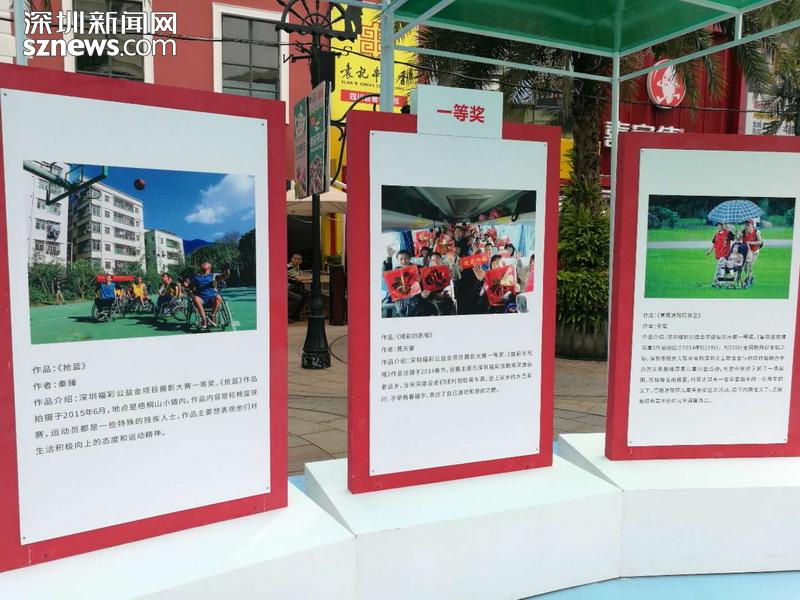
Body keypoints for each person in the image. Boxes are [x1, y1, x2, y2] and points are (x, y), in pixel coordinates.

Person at [383, 247, 433, 317]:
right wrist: (389, 257)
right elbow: (387, 275)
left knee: (418, 310)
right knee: (402, 311)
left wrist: (421, 281)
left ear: (410, 258)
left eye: (406, 258)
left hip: (417, 297)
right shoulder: (396, 270)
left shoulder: (418, 268)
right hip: (402, 299)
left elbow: (427, 281)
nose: (404, 261)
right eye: (401, 259)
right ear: (397, 260)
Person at [190, 261, 230, 330]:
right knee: (195, 298)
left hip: (212, 299)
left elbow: (225, 275)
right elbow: (190, 287)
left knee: (218, 297)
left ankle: (212, 315)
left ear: (209, 267)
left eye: (205, 263)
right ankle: (204, 319)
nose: (203, 263)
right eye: (203, 263)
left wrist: (226, 269)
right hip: (201, 299)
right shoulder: (196, 277)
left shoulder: (214, 276)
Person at [287, 252, 309, 322]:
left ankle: (296, 315)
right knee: (297, 297)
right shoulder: (289, 267)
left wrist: (306, 276)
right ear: (291, 259)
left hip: (292, 289)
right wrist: (312, 277)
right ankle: (287, 316)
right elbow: (299, 278)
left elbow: (303, 275)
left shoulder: (297, 268)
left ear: (301, 261)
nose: (297, 260)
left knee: (306, 295)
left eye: (299, 259)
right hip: (285, 290)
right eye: (295, 258)